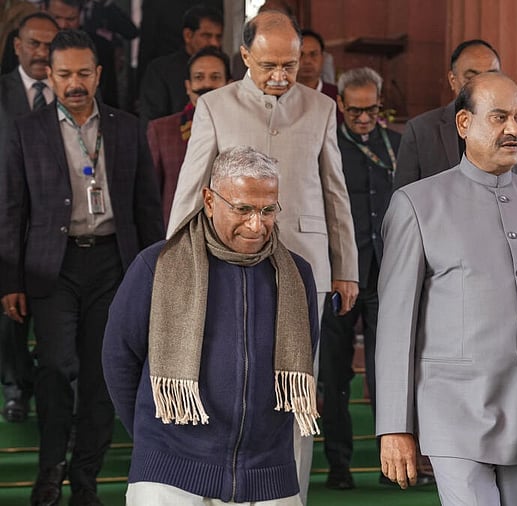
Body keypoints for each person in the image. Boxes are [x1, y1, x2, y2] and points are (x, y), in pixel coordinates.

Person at [376, 72, 517, 506]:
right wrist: (394, 426)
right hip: (454, 413)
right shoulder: (417, 204)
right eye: (498, 118)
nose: (514, 130)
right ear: (464, 124)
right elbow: (396, 325)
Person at [166, 11, 359, 503]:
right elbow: (191, 193)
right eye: (268, 64)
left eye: (290, 65)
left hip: (304, 266)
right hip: (229, 264)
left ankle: (287, 495)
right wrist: (174, 266)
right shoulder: (214, 105)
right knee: (229, 379)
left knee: (299, 390)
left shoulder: (319, 107)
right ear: (245, 56)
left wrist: (345, 267)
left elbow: (335, 192)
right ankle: (222, 488)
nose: (280, 76)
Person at [0, 29, 163, 506]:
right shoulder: (25, 130)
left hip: (114, 263)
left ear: (99, 75)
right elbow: (11, 209)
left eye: (84, 73)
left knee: (101, 373)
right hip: (53, 266)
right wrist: (10, 281)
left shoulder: (129, 127)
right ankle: (49, 470)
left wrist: (154, 276)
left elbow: (147, 209)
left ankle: (84, 481)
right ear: (49, 75)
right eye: (65, 73)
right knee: (54, 368)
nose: (75, 83)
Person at [103, 146, 319, 506]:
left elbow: (305, 354)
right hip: (168, 474)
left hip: (269, 475)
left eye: (268, 210)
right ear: (209, 200)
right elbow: (118, 359)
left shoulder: (297, 274)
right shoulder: (155, 265)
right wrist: (157, 436)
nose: (257, 224)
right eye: (243, 209)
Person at [320, 66, 399, 490]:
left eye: (372, 110)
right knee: (334, 375)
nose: (365, 119)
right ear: (340, 105)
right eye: (356, 111)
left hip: (388, 275)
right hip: (341, 276)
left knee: (387, 373)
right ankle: (338, 465)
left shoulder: (397, 144)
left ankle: (393, 465)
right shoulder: (328, 145)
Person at [0, 11, 58, 425]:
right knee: (9, 318)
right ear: (17, 46)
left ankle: (53, 393)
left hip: (54, 222)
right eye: (33, 44)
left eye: (48, 45)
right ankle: (15, 389)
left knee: (54, 318)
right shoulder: (1, 94)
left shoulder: (72, 89)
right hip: (5, 219)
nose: (41, 53)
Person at [393, 39, 517, 190]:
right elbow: (404, 199)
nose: (484, 85)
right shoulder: (421, 131)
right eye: (472, 77)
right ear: (453, 80)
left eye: (491, 75)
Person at [147, 45, 229, 226]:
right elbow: (149, 197)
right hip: (179, 232)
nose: (207, 85)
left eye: (215, 77)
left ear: (230, 85)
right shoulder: (162, 130)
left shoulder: (241, 128)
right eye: (199, 78)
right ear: (188, 86)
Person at [138, 5, 223, 130]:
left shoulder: (223, 67)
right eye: (207, 36)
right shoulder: (160, 70)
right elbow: (151, 124)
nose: (214, 43)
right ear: (188, 35)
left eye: (218, 37)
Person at [42, 0, 118, 107]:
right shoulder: (25, 43)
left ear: (81, 15)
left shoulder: (101, 48)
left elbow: (109, 99)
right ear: (44, 10)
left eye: (70, 19)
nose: (63, 25)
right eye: (56, 17)